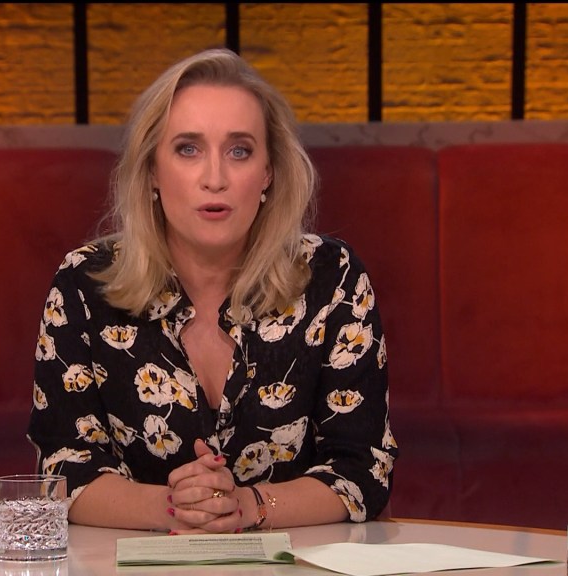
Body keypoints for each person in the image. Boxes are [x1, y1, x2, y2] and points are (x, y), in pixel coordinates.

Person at [27, 47, 397, 535]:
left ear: (268, 172)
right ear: (152, 170)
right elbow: (62, 469)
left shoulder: (333, 278)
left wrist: (246, 506)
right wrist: (176, 507)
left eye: (239, 151)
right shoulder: (83, 283)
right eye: (188, 149)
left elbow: (363, 469)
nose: (215, 179)